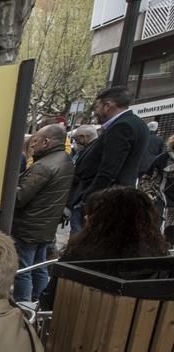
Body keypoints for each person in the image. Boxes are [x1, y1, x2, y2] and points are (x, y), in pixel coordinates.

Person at [40, 186, 169, 310]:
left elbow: (49, 301)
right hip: (147, 329)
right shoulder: (161, 261)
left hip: (84, 329)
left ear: (100, 221)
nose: (86, 217)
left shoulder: (79, 258)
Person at [11, 124, 74, 302]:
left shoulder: (43, 166)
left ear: (46, 142)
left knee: (23, 270)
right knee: (38, 266)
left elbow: (20, 197)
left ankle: (23, 305)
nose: (32, 145)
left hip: (29, 226)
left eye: (35, 141)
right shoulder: (65, 160)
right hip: (46, 225)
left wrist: (9, 186)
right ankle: (40, 300)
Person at [71, 87, 150, 219]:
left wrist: (89, 200)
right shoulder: (138, 124)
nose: (95, 112)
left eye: (97, 107)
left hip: (107, 200)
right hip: (118, 196)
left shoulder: (121, 126)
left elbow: (108, 170)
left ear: (107, 106)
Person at [68, 125, 100, 234]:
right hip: (82, 195)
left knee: (77, 228)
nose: (76, 142)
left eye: (76, 139)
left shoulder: (92, 150)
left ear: (84, 137)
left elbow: (82, 173)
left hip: (82, 196)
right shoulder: (92, 148)